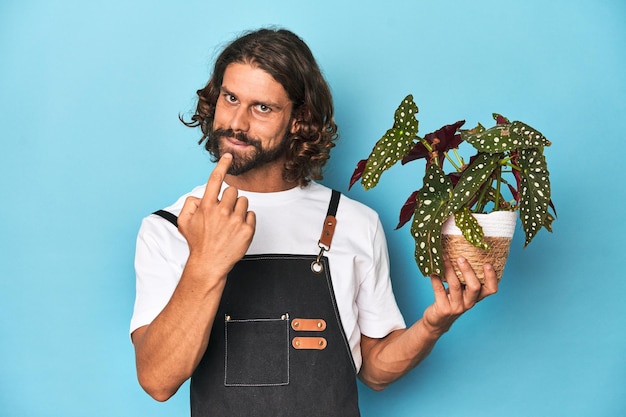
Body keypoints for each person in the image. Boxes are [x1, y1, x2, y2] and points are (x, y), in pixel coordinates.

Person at [130, 27, 498, 416]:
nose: (237, 122)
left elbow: (374, 370)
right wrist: (205, 262)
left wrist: (433, 325)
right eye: (231, 97)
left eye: (262, 108)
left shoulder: (353, 222)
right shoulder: (170, 226)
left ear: (298, 120)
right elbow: (157, 381)